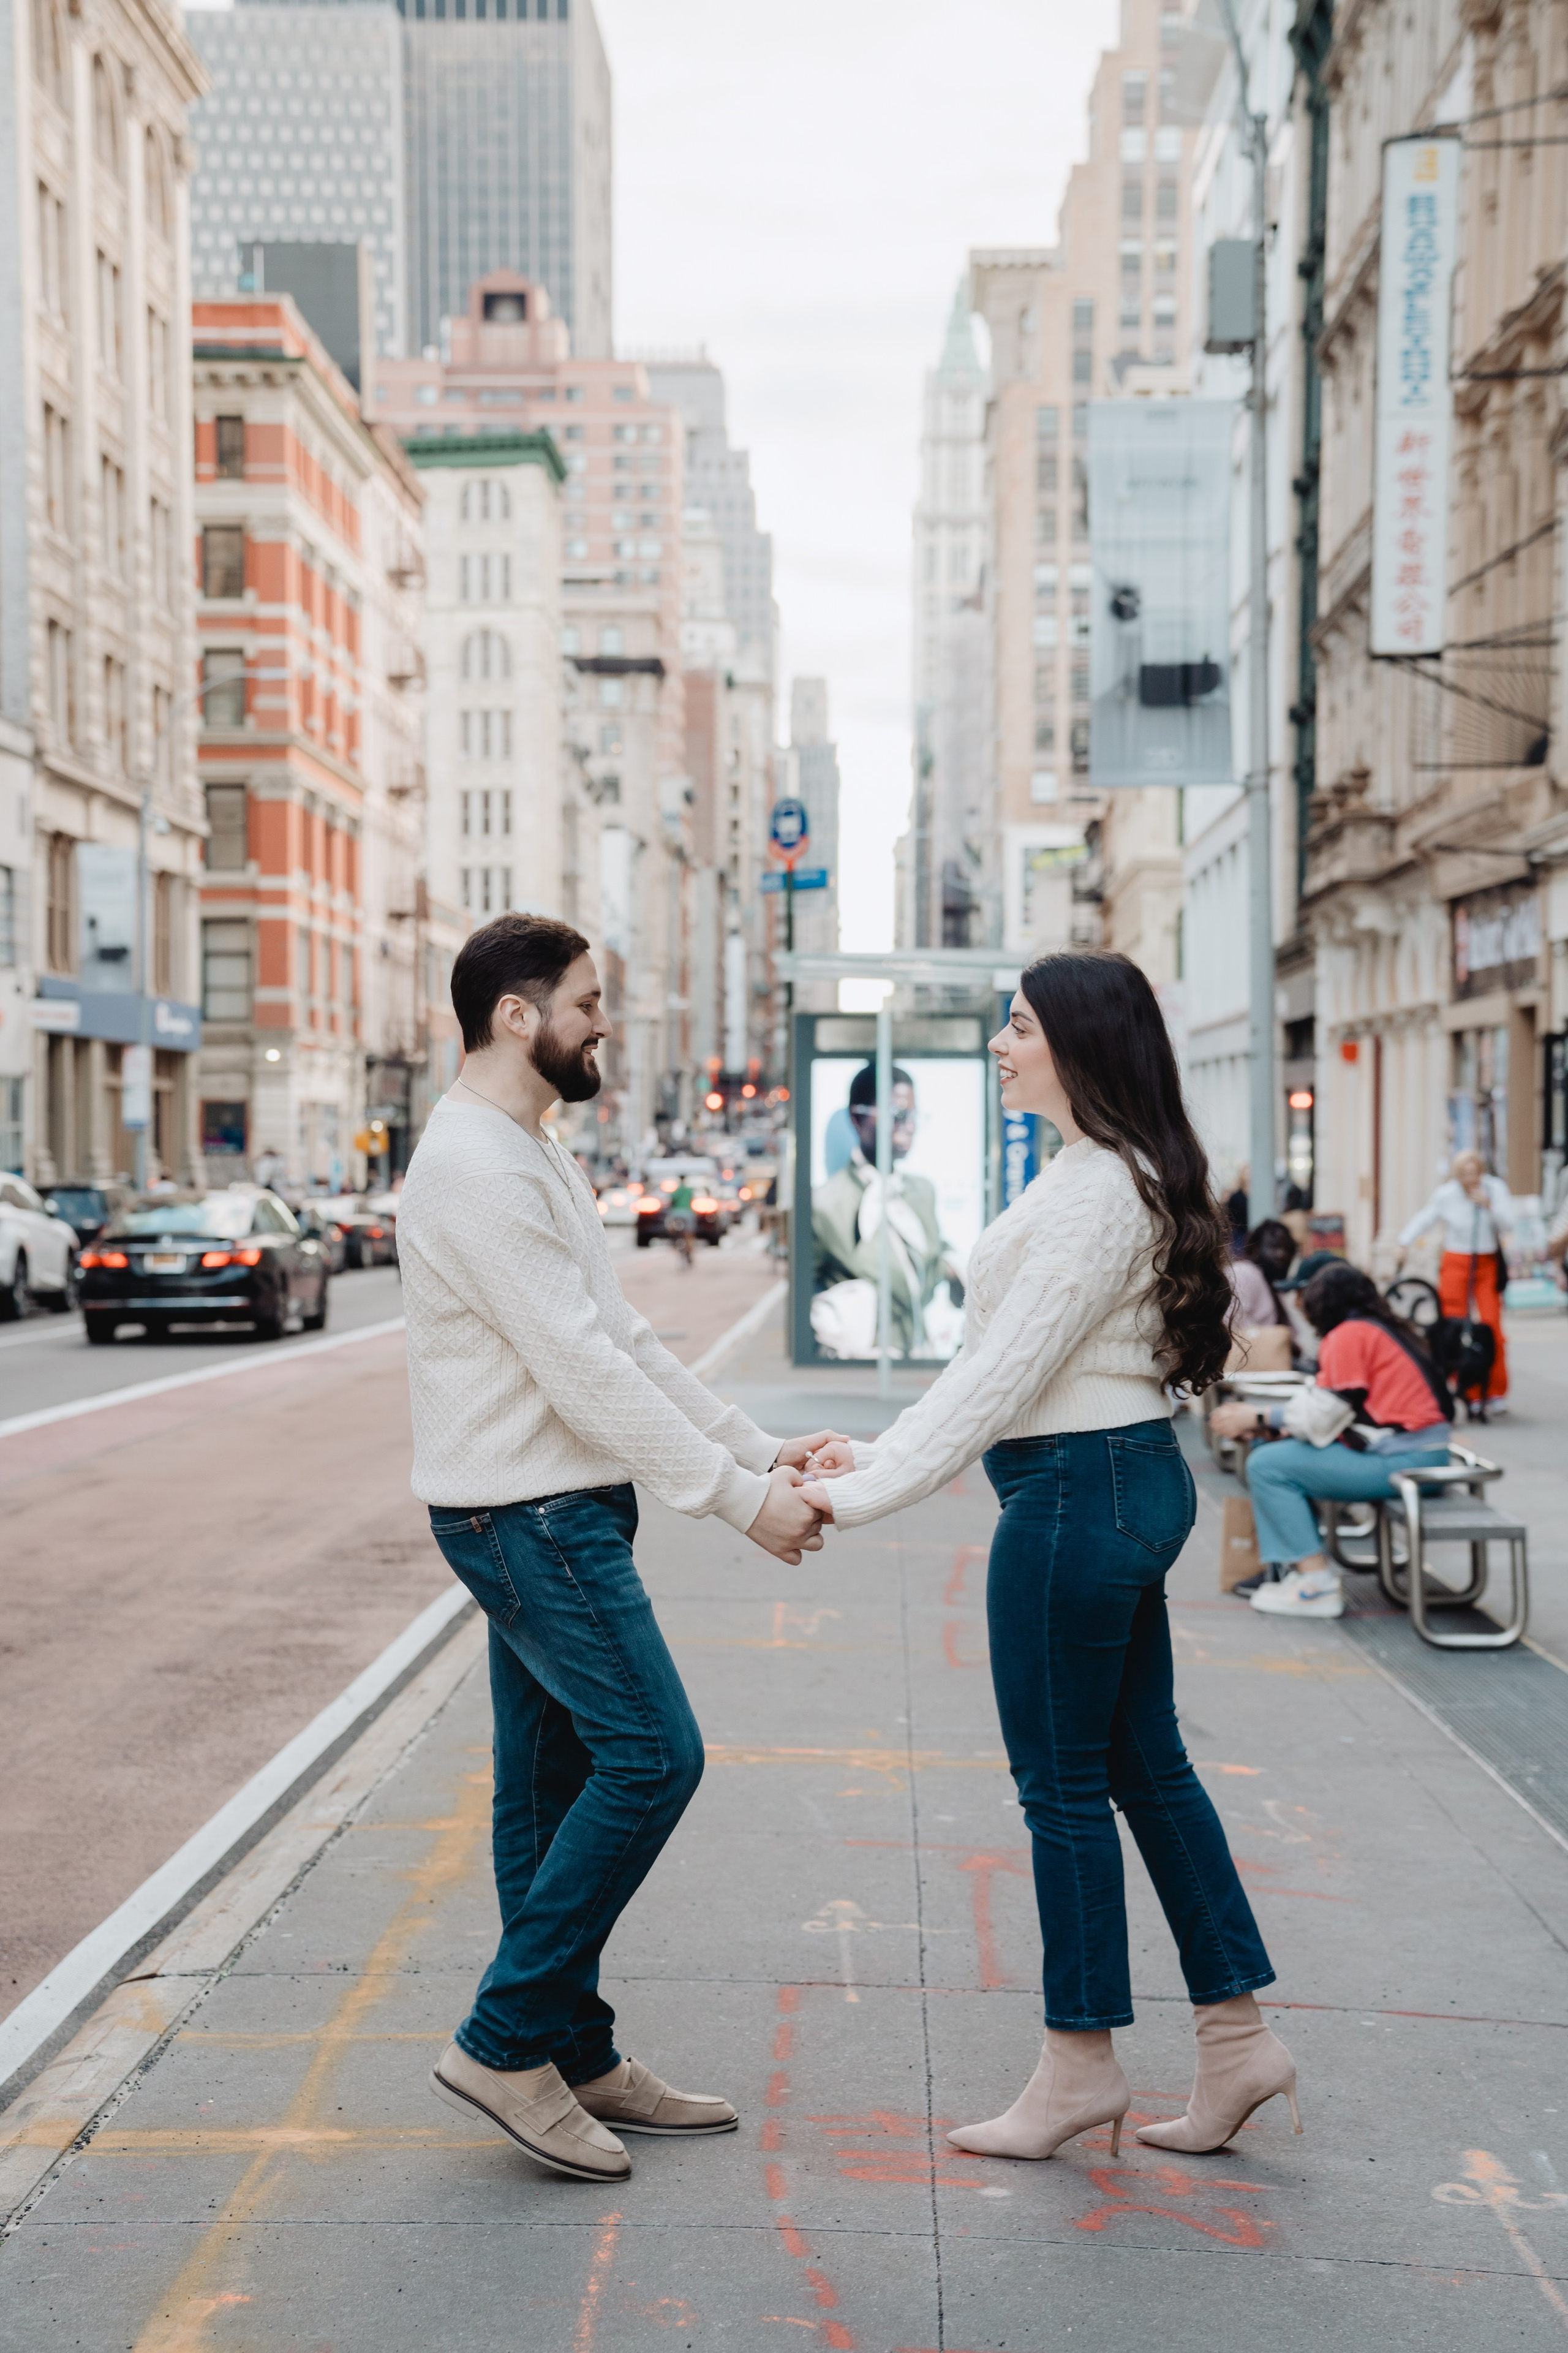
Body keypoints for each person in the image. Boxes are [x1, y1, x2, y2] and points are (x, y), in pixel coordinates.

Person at [806, 951, 1295, 2164]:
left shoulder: (1091, 1195)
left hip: (1075, 1492)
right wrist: (871, 1453)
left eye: (1016, 1026)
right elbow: (998, 1377)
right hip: (1110, 1480)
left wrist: (859, 1493)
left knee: (1062, 1789)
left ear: (1074, 1044)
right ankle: (1235, 2042)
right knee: (1142, 1771)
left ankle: (1078, 2063)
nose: (998, 1044)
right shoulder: (1107, 1173)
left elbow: (996, 1377)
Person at [396, 914, 839, 2185]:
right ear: (518, 1016)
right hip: (530, 1516)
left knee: (546, 1791)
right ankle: (501, 2040)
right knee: (654, 1757)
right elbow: (578, 1368)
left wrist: (755, 1456)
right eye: (587, 1001)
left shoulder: (525, 1148)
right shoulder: (476, 1166)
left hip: (553, 1508)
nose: (605, 1022)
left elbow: (624, 1338)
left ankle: (571, 2050)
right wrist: (732, 1499)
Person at [1210, 1261, 1453, 1619]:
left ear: (1321, 1298)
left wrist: (1258, 1417)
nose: (1296, 1304)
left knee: (1268, 1466)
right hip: (1417, 1454)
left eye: (1301, 1294)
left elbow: (1327, 1410)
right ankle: (1294, 1567)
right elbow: (1339, 1410)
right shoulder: (1376, 1329)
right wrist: (1274, 1428)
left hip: (1406, 1462)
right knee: (1271, 1453)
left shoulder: (1349, 1335)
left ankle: (1315, 1585)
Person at [810, 1062, 962, 1359]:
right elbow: (807, 1289)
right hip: (861, 1366)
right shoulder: (826, 1204)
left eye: (914, 1115)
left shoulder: (921, 1192)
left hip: (923, 1359)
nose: (909, 1124)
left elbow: (932, 1255)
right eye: (897, 1113)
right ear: (858, 1117)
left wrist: (954, 1266)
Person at [1395, 1150, 1513, 1413]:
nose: (1470, 1179)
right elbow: (1425, 1218)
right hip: (1457, 1260)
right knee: (1452, 1323)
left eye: (1474, 1173)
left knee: (1491, 1324)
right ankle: (1461, 1384)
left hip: (1486, 1260)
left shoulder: (1494, 1190)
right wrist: (1404, 1242)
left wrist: (1488, 1207)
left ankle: (1494, 1389)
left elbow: (1509, 1224)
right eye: (1464, 1174)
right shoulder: (1446, 1195)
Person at [666, 1174, 696, 1267]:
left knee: (670, 1225)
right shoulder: (690, 1190)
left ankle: (673, 1239)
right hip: (687, 1213)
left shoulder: (676, 1191)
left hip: (676, 1213)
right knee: (689, 1234)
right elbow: (692, 1201)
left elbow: (671, 1202)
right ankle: (689, 1248)